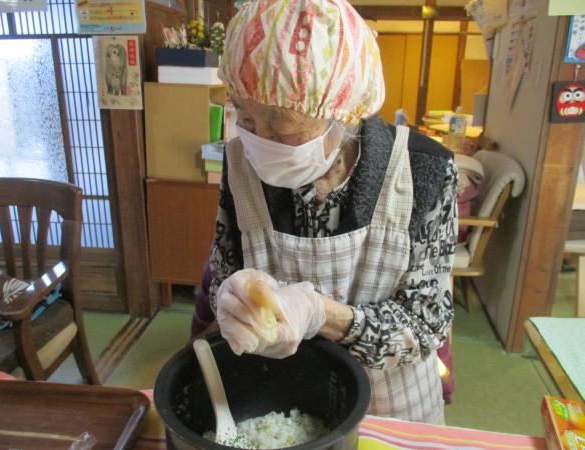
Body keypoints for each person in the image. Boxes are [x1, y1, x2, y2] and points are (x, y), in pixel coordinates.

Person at [192, 0, 457, 425]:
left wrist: (319, 313)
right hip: (282, 407)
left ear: (343, 112)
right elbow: (225, 270)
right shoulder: (240, 160)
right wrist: (233, 299)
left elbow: (426, 326)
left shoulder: (424, 169)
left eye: (279, 119)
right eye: (244, 112)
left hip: (392, 410)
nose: (259, 138)